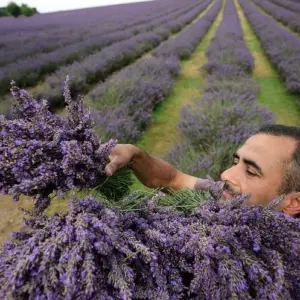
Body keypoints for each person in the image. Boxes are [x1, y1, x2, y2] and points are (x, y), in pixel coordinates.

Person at [105, 124, 300, 217]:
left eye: (251, 171)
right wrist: (134, 154)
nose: (225, 175)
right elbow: (173, 179)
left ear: (293, 203)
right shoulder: (224, 194)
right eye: (235, 162)